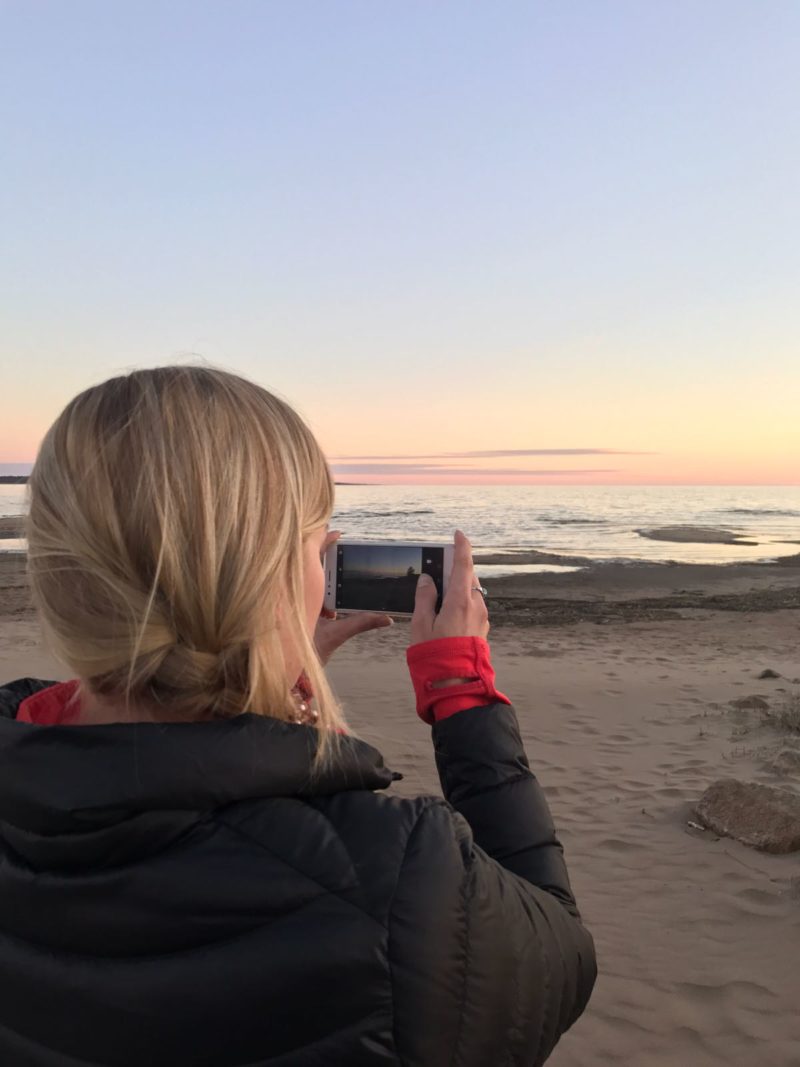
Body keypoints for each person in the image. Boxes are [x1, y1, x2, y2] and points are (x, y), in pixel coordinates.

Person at [0, 366, 596, 1066]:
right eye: (316, 548)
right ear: (272, 579)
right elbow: (558, 950)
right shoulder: (398, 882)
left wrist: (275, 688)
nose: (323, 568)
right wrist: (460, 687)